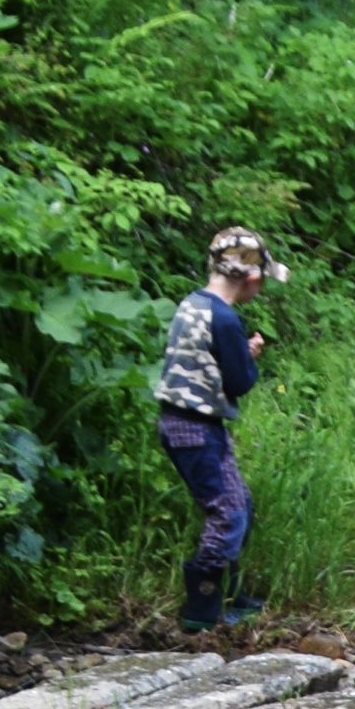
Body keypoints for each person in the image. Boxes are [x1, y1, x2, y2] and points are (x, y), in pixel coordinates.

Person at [154, 226, 279, 630]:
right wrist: (250, 357)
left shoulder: (194, 303)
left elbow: (203, 363)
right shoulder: (225, 319)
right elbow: (238, 382)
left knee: (240, 503)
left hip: (179, 421)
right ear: (253, 278)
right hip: (196, 427)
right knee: (227, 513)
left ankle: (231, 593)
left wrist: (238, 354)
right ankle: (202, 611)